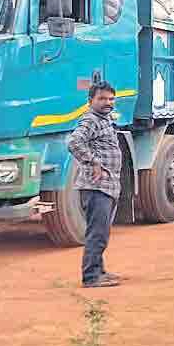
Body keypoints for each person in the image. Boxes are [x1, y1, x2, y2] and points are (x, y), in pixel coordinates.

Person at [65, 81, 123, 289]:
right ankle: (91, 277)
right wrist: (93, 161)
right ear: (90, 101)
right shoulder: (90, 120)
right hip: (96, 187)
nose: (108, 103)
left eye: (111, 99)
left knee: (102, 232)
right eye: (102, 99)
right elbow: (74, 142)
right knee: (96, 233)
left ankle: (99, 271)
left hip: (107, 186)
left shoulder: (104, 119)